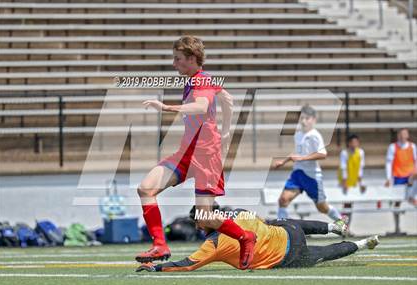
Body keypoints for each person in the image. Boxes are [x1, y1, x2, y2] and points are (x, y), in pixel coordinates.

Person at [135, 35, 257, 269]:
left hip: (206, 155)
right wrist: (227, 132)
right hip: (187, 151)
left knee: (204, 218)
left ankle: (245, 237)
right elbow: (228, 99)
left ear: (192, 59)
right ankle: (160, 245)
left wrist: (167, 107)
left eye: (177, 59)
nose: (174, 64)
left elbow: (201, 106)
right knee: (146, 188)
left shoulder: (201, 80)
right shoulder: (200, 79)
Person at [136, 207, 379, 272]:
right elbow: (261, 220)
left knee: (324, 254)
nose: (197, 226)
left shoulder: (213, 245)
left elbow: (186, 264)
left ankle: (360, 244)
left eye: (198, 221)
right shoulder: (239, 213)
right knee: (280, 222)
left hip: (285, 258)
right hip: (289, 235)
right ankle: (333, 227)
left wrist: (157, 267)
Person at [273, 105, 342, 222]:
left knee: (322, 207)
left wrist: (302, 158)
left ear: (314, 120)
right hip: (297, 174)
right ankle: (284, 231)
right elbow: (297, 153)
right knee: (283, 200)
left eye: (307, 118)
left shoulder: (315, 135)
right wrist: (283, 161)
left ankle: (341, 222)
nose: (304, 121)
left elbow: (322, 154)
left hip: (312, 177)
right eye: (302, 118)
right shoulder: (298, 134)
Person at [385, 128, 416, 233]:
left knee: (413, 199)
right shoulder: (393, 147)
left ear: (407, 135)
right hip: (398, 177)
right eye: (401, 134)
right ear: (398, 135)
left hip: (410, 177)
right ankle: (397, 227)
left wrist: (413, 175)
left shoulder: (412, 146)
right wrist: (388, 178)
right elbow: (389, 163)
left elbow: (416, 162)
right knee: (396, 203)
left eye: (405, 134)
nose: (403, 136)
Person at [338, 134, 366, 227]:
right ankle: (343, 227)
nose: (354, 144)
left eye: (356, 142)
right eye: (352, 142)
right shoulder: (344, 153)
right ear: (348, 143)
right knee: (346, 206)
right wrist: (345, 183)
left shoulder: (361, 152)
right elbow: (343, 168)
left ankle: (346, 227)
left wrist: (361, 183)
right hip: (345, 182)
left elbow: (360, 168)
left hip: (354, 182)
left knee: (349, 206)